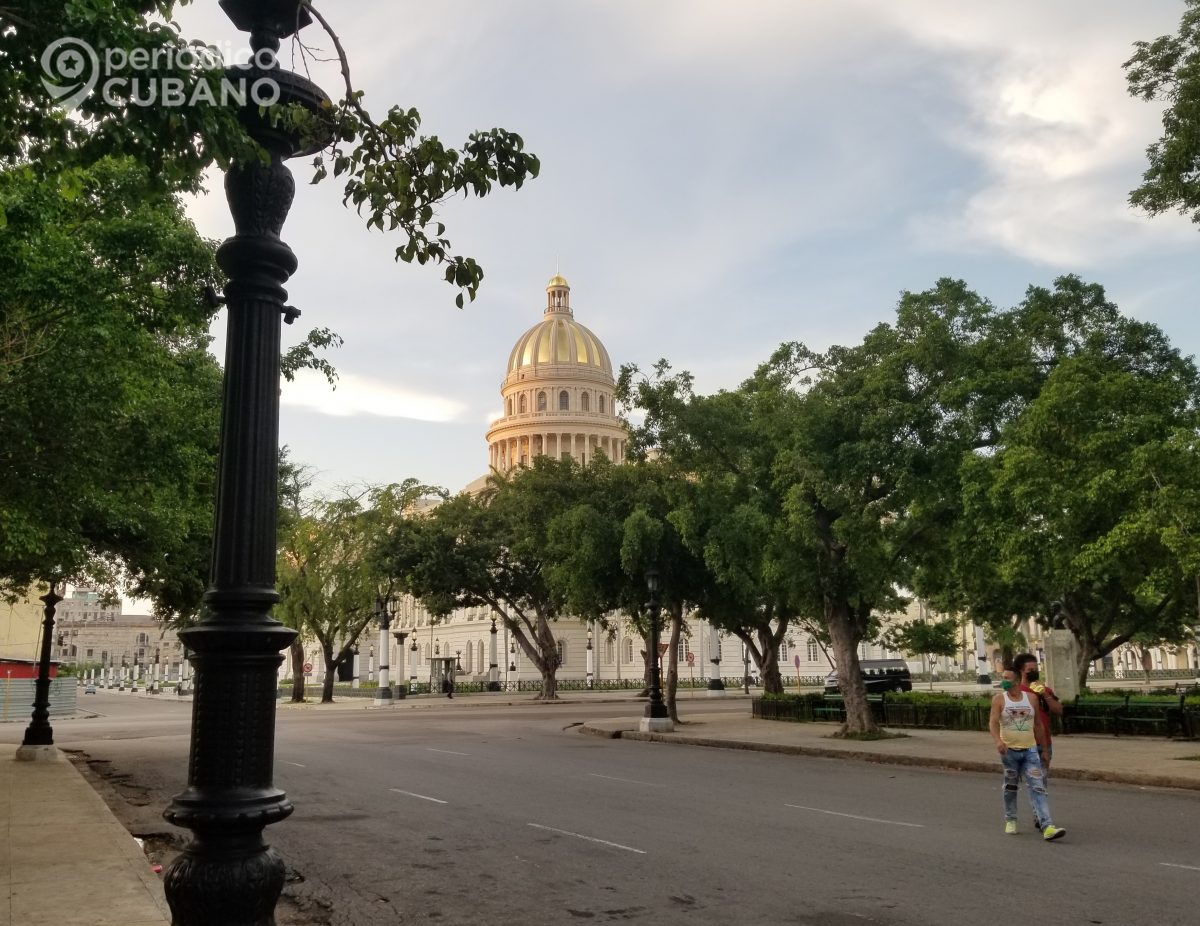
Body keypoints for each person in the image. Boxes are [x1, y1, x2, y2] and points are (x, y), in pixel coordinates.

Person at [989, 667, 1066, 840]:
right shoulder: (999, 700)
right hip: (1009, 752)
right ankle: (1011, 819)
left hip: (1030, 750)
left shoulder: (1031, 699)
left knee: (1038, 787)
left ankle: (1047, 826)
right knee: (1010, 786)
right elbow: (993, 723)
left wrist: (1044, 749)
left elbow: (1038, 725)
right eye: (1002, 678)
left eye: (1007, 678)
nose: (1004, 681)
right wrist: (998, 741)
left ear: (1016, 680)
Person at [1014, 651, 1063, 829]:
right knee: (1036, 783)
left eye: (1036, 669)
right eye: (1030, 670)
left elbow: (1058, 710)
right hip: (1024, 744)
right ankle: (1042, 819)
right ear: (1021, 671)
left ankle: (1039, 815)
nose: (1034, 672)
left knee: (1041, 782)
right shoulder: (1016, 693)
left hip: (1044, 744)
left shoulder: (1044, 690)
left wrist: (1045, 695)